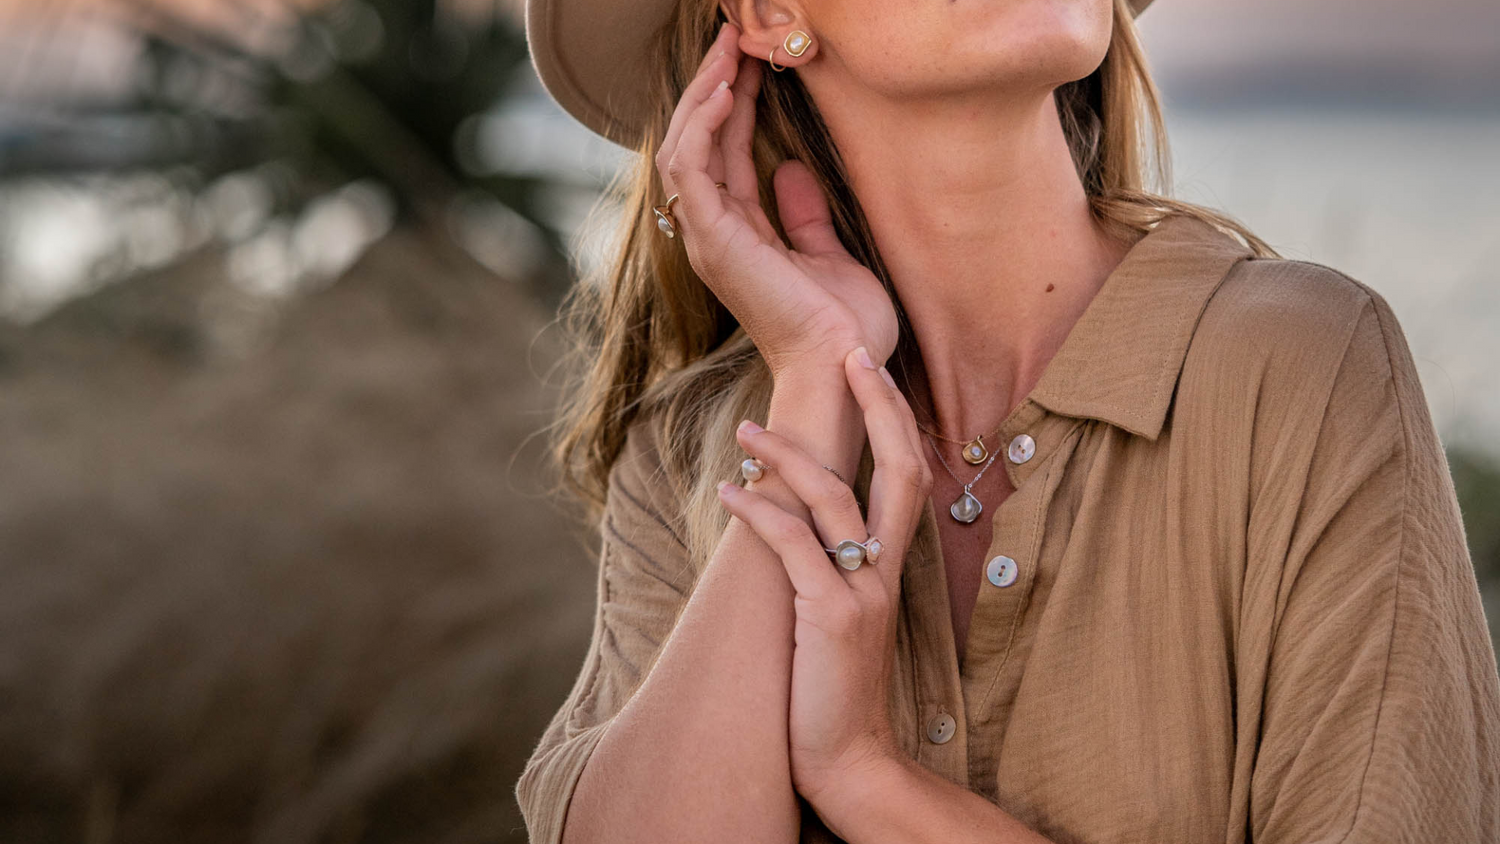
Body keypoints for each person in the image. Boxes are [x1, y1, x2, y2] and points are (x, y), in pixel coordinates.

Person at [516, 0, 1500, 841]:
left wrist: (867, 774)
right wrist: (819, 378)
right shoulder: (695, 450)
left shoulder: (1306, 368)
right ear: (774, 14)